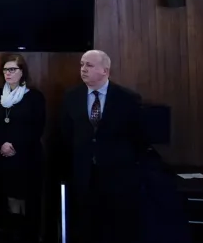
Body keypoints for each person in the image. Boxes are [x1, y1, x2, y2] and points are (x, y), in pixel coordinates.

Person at [59, 50, 147, 243]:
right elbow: (65, 136)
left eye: (89, 66)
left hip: (118, 177)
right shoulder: (71, 97)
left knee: (114, 230)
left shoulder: (128, 99)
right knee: (85, 228)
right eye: (82, 65)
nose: (83, 69)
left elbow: (139, 138)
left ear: (105, 70)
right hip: (83, 176)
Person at [0, 54, 45, 243]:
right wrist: (2, 143)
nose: (8, 73)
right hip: (3, 157)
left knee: (25, 199)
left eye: (12, 69)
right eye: (5, 69)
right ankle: (10, 235)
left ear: (22, 72)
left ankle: (27, 235)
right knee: (6, 199)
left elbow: (38, 127)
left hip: (27, 158)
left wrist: (15, 145)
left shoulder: (34, 96)